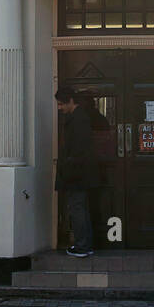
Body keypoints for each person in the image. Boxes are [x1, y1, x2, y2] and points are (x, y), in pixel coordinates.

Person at [55, 87, 98, 257]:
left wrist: (68, 169)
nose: (59, 108)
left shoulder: (78, 120)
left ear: (71, 100)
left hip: (76, 175)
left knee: (77, 208)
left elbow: (78, 151)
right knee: (81, 209)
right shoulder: (79, 118)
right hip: (79, 174)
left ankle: (82, 246)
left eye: (61, 104)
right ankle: (85, 244)